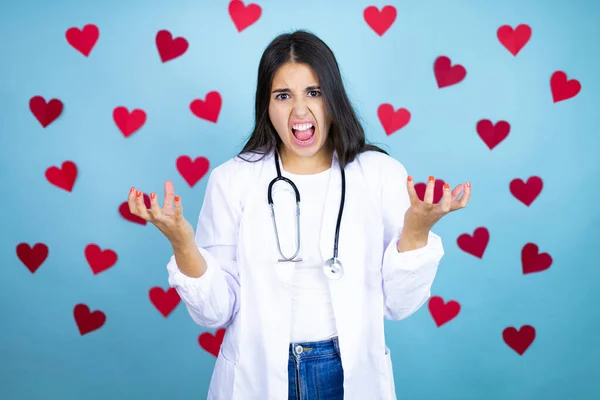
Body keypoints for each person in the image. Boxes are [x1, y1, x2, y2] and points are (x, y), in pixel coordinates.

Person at [128, 29, 471, 400]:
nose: (300, 111)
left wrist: (416, 230)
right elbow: (215, 313)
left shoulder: (378, 173)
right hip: (257, 376)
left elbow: (398, 306)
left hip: (346, 373)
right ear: (266, 104)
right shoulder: (232, 179)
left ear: (333, 98)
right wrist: (182, 242)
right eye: (283, 95)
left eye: (314, 92)